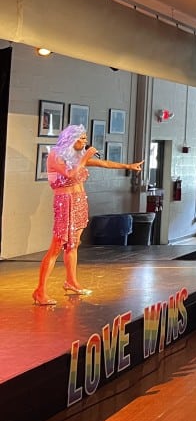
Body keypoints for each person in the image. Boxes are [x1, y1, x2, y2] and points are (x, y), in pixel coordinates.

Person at [33, 124, 143, 305]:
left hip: (79, 201)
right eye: (82, 138)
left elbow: (104, 163)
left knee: (74, 244)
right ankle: (40, 291)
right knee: (57, 246)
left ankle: (71, 282)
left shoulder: (77, 156)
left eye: (85, 138)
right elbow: (70, 174)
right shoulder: (56, 155)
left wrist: (128, 166)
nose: (85, 141)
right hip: (65, 202)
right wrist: (85, 157)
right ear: (72, 139)